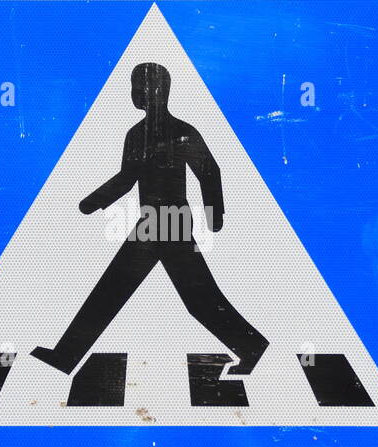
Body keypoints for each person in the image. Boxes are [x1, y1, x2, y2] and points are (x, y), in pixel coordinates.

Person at [31, 62, 268, 376]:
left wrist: (215, 215)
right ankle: (65, 355)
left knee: (188, 298)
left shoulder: (183, 132)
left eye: (138, 86)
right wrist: (93, 201)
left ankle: (251, 346)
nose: (135, 93)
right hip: (154, 222)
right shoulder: (137, 134)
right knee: (127, 291)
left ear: (155, 91)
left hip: (170, 223)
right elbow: (128, 178)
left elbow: (209, 172)